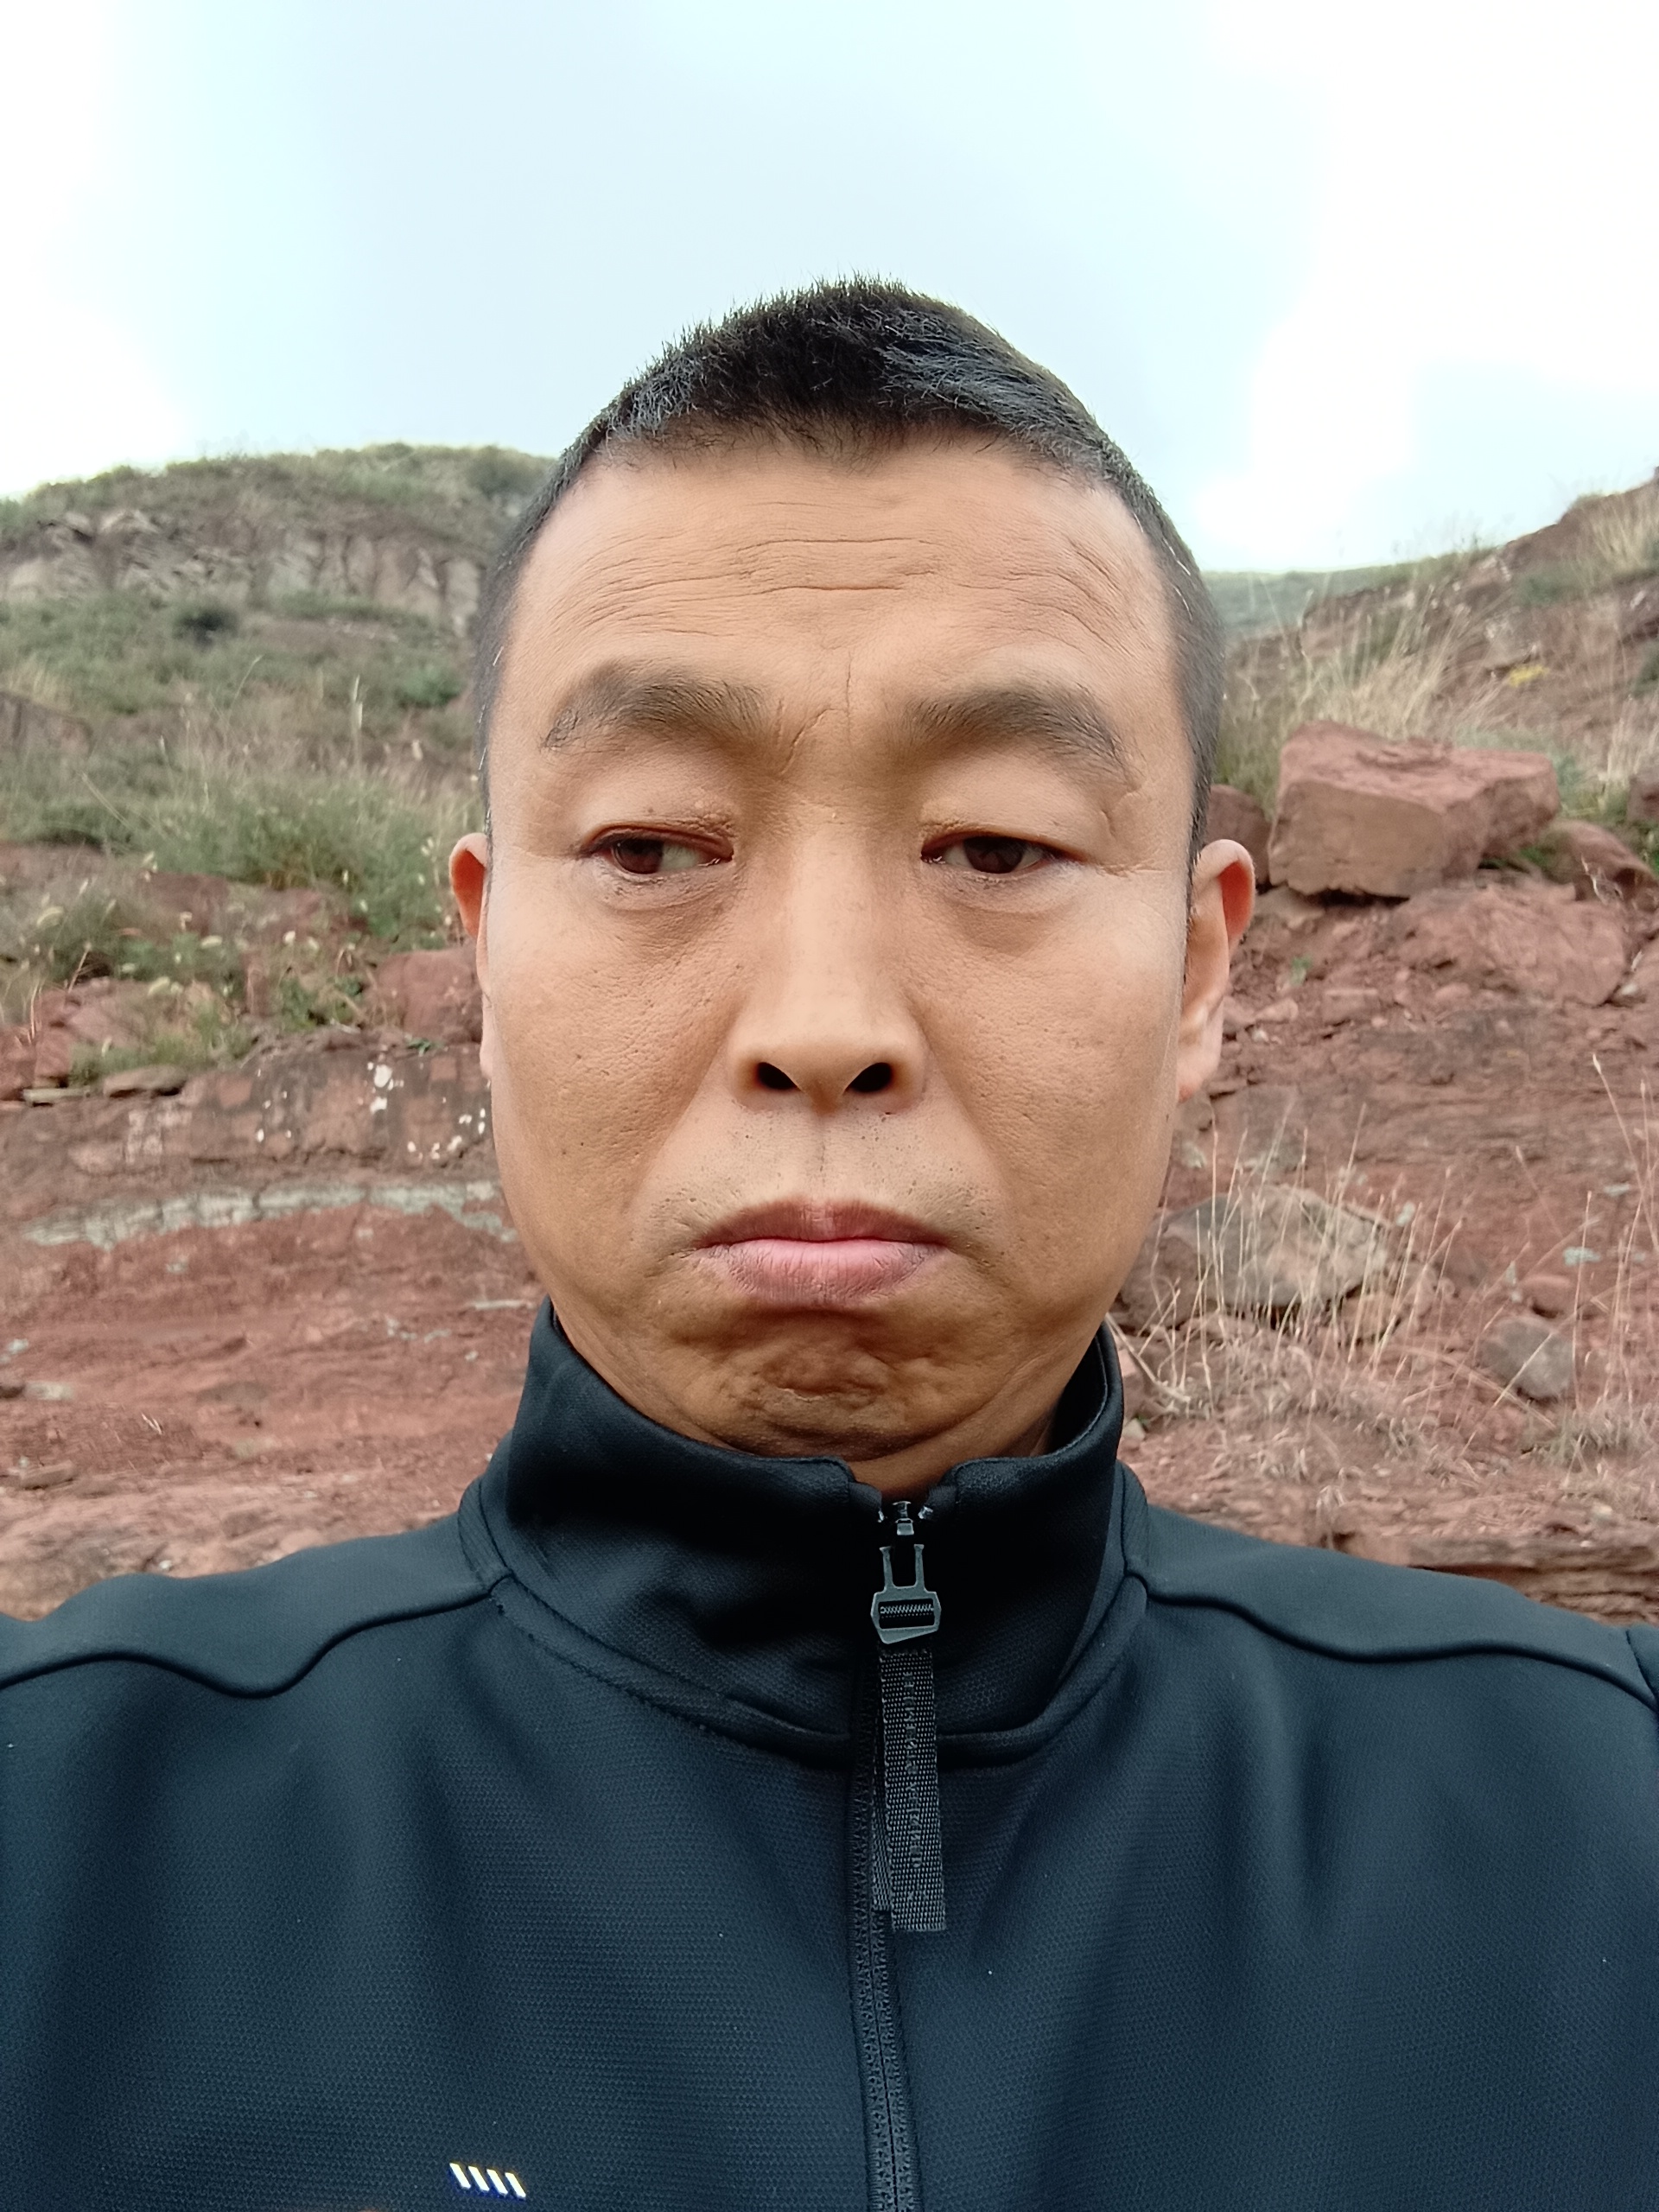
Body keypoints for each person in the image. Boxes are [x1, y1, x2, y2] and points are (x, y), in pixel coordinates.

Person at [3, 283, 1656, 2212]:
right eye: (650, 848)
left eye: (998, 847)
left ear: (1201, 969)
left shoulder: (1598, 1834)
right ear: (487, 952)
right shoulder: (59, 1845)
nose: (825, 1021)